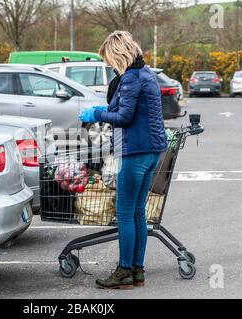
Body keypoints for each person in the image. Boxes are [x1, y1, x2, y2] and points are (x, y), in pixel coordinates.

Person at [78, 31, 167, 289]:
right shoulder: (146, 74)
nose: (109, 65)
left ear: (119, 53)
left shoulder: (130, 78)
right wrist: (102, 111)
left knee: (125, 213)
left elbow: (124, 116)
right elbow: (127, 110)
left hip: (135, 152)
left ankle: (124, 270)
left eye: (109, 59)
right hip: (150, 152)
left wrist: (95, 113)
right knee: (138, 212)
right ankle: (137, 271)